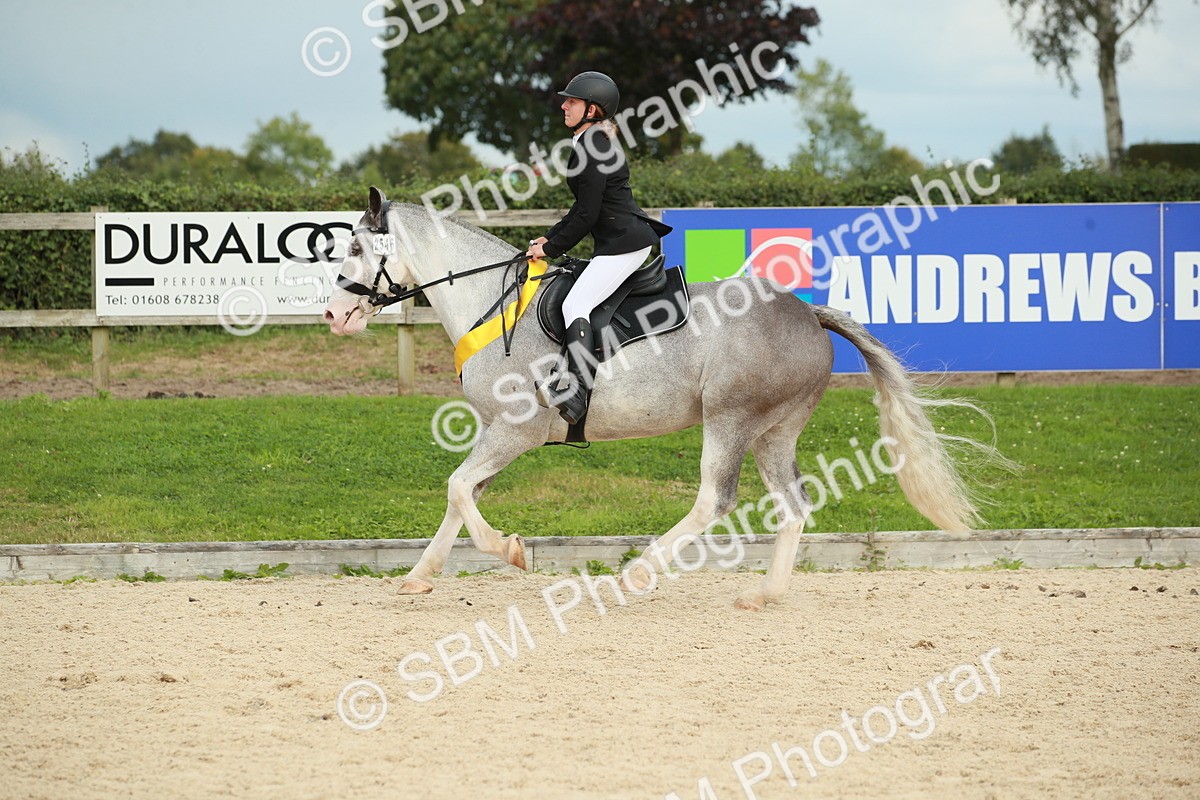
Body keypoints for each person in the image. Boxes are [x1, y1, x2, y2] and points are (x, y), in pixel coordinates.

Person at [526, 71, 672, 425]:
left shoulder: (594, 145)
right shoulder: (589, 141)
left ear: (592, 110)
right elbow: (581, 209)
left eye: (572, 101)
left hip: (625, 243)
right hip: (618, 240)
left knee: (577, 303)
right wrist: (550, 239)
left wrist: (553, 247)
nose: (564, 105)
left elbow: (588, 214)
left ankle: (575, 392)